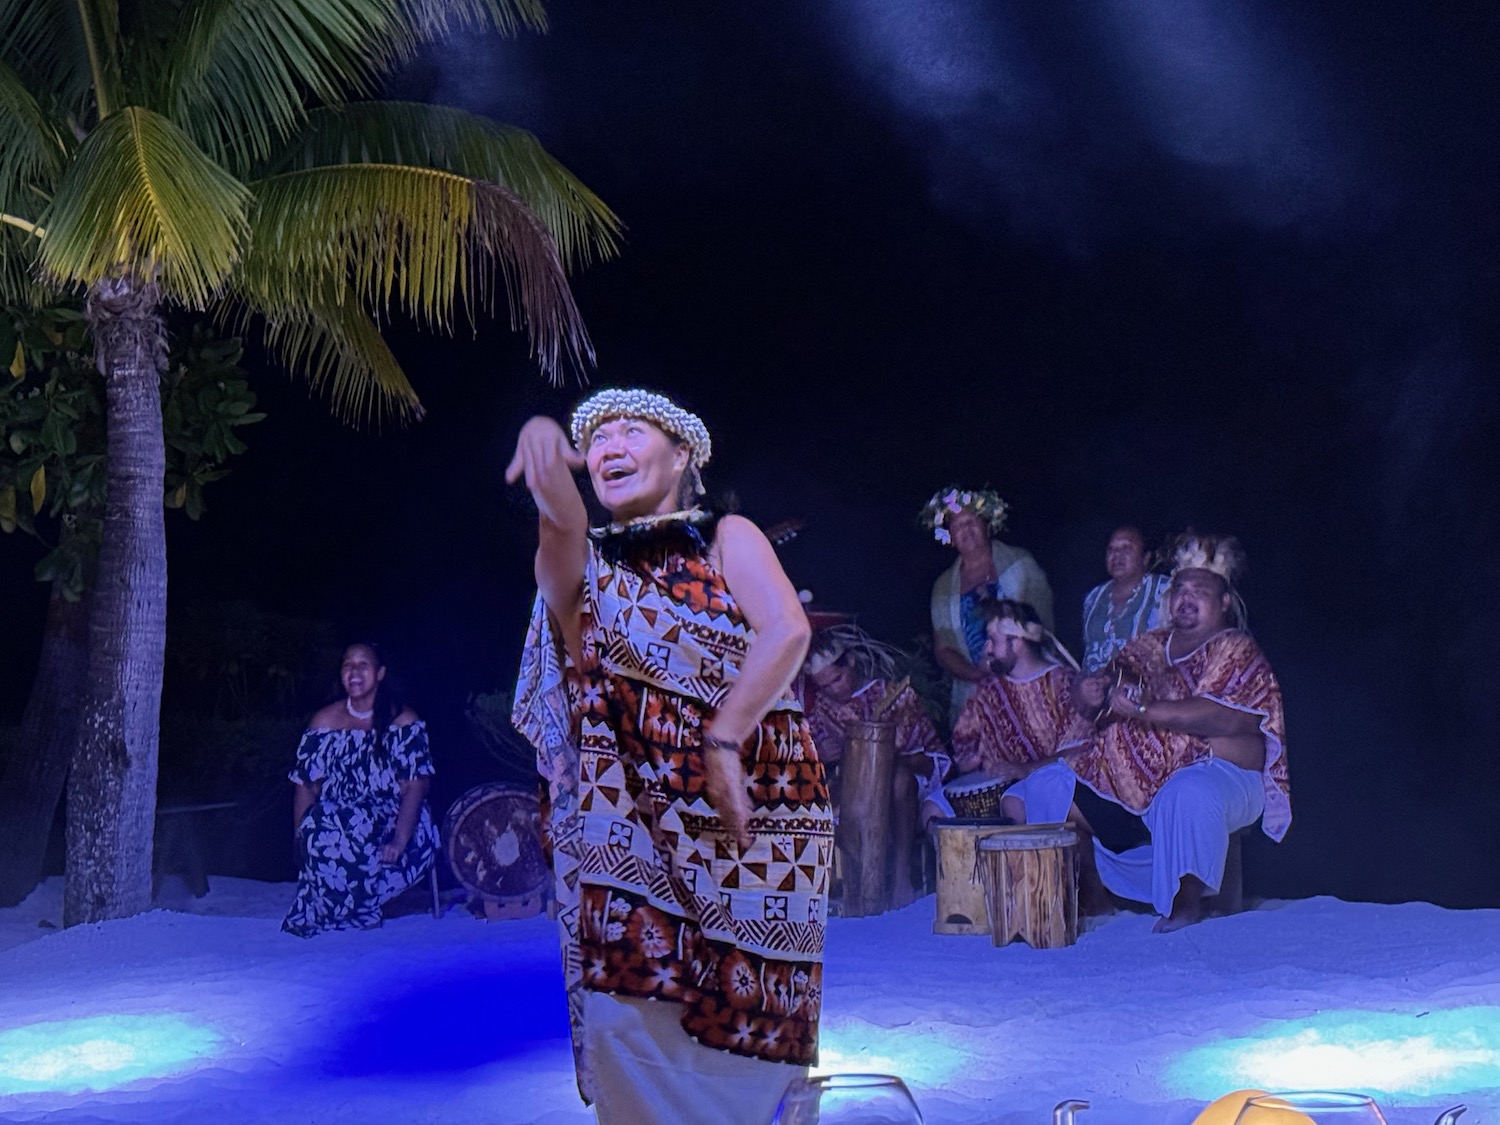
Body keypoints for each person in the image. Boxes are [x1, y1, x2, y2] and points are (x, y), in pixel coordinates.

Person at [507, 388, 833, 1124]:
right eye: (594, 439)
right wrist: (540, 445)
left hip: (756, 815)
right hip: (630, 832)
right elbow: (562, 522)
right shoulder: (581, 569)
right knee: (630, 1011)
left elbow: (785, 630)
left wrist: (721, 740)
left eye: (631, 430)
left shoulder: (728, 538)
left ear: (684, 453)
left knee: (751, 1022)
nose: (609, 446)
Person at [1068, 534, 1291, 932]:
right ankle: (1097, 897)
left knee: (1187, 791)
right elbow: (1109, 684)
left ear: (1223, 602)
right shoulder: (1150, 645)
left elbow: (1224, 719)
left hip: (1224, 774)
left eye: (1199, 591)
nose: (1185, 598)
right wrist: (1089, 693)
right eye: (1179, 590)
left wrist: (1146, 709)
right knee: (1054, 789)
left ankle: (1186, 905)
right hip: (1142, 777)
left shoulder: (1235, 647)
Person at [282, 642, 438, 937]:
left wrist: (399, 841)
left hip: (392, 822)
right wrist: (300, 840)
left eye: (362, 665)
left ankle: (354, 910)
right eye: (347, 665)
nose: (354, 671)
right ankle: (344, 909)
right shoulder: (324, 722)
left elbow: (416, 786)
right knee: (324, 819)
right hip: (335, 823)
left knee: (353, 820)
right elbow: (305, 784)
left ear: (380, 673)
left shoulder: (403, 721)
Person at [802, 625, 950, 906]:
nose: (834, 691)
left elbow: (927, 760)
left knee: (898, 778)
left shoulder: (895, 696)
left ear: (852, 662)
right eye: (824, 686)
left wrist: (878, 759)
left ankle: (901, 874)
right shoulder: (821, 711)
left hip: (905, 791)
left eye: (837, 679)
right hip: (850, 795)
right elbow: (820, 764)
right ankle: (851, 886)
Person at [936, 599, 1090, 824]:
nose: (986, 649)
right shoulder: (987, 690)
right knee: (933, 809)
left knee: (1015, 804)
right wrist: (967, 762)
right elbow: (963, 745)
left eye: (992, 641)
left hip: (1046, 783)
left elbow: (1081, 747)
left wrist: (1026, 769)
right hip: (991, 788)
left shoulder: (1064, 684)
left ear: (1017, 643)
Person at [923, 487, 1054, 723]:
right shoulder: (942, 587)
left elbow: (1043, 627)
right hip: (973, 696)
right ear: (950, 536)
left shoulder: (1021, 564)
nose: (966, 529)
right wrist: (975, 673)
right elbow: (942, 649)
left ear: (987, 526)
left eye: (972, 521)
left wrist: (1009, 665)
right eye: (958, 525)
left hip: (1029, 687)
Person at [1080, 525, 1172, 672]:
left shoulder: (1165, 589)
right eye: (1111, 549)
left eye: (1126, 548)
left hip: (1145, 689)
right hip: (1094, 690)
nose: (1116, 555)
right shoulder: (1094, 597)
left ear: (1146, 558)